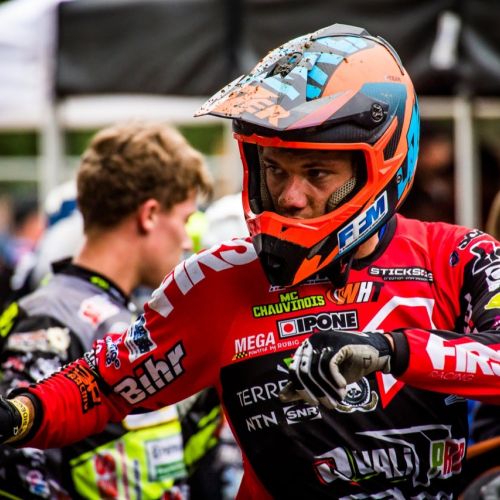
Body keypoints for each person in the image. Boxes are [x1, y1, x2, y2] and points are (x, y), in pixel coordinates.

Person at [0, 23, 499, 498]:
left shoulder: (460, 257)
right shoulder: (217, 280)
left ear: (381, 163)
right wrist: (17, 415)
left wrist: (391, 350)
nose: (290, 197)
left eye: (317, 173)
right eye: (275, 170)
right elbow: (102, 384)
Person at [0, 122, 212, 498]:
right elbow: (17, 471)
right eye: (184, 219)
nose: (185, 240)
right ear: (149, 215)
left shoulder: (128, 314)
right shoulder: (51, 319)